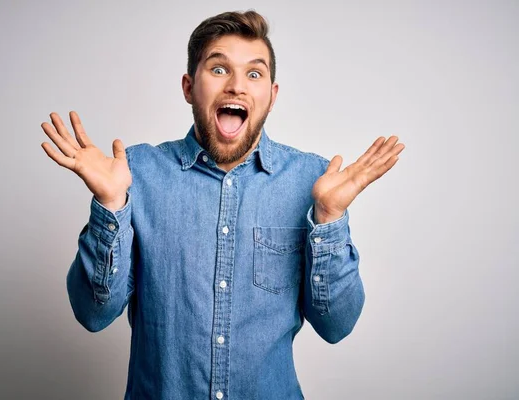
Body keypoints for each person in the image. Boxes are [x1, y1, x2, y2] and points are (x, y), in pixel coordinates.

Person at [41, 10, 404, 400]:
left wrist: (329, 218)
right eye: (218, 69)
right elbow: (92, 315)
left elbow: (338, 326)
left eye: (254, 74)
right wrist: (110, 205)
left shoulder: (312, 183)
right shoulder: (135, 175)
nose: (236, 87)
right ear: (188, 87)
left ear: (272, 95)